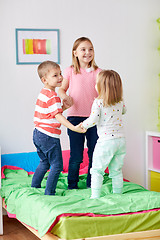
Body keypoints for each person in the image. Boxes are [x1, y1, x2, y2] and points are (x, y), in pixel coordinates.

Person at [31, 61, 85, 195]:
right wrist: (73, 127)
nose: (60, 77)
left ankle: (35, 186)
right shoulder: (53, 96)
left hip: (38, 133)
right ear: (45, 80)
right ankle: (49, 192)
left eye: (60, 74)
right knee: (57, 165)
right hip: (49, 136)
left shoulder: (44, 93)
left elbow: (52, 113)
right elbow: (58, 116)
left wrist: (65, 107)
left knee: (44, 162)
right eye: (55, 75)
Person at [59, 37, 101, 189]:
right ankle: (72, 185)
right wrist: (65, 97)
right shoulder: (69, 71)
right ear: (75, 53)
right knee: (76, 156)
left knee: (94, 154)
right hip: (75, 118)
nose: (87, 52)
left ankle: (92, 184)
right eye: (83, 49)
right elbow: (61, 89)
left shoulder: (98, 72)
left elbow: (103, 93)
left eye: (90, 49)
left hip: (95, 119)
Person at [81, 70, 127, 199]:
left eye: (96, 83)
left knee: (96, 170)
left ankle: (95, 197)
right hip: (120, 141)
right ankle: (118, 195)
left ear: (101, 86)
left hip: (106, 142)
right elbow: (124, 111)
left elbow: (93, 120)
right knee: (116, 170)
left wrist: (82, 125)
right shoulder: (120, 102)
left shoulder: (98, 102)